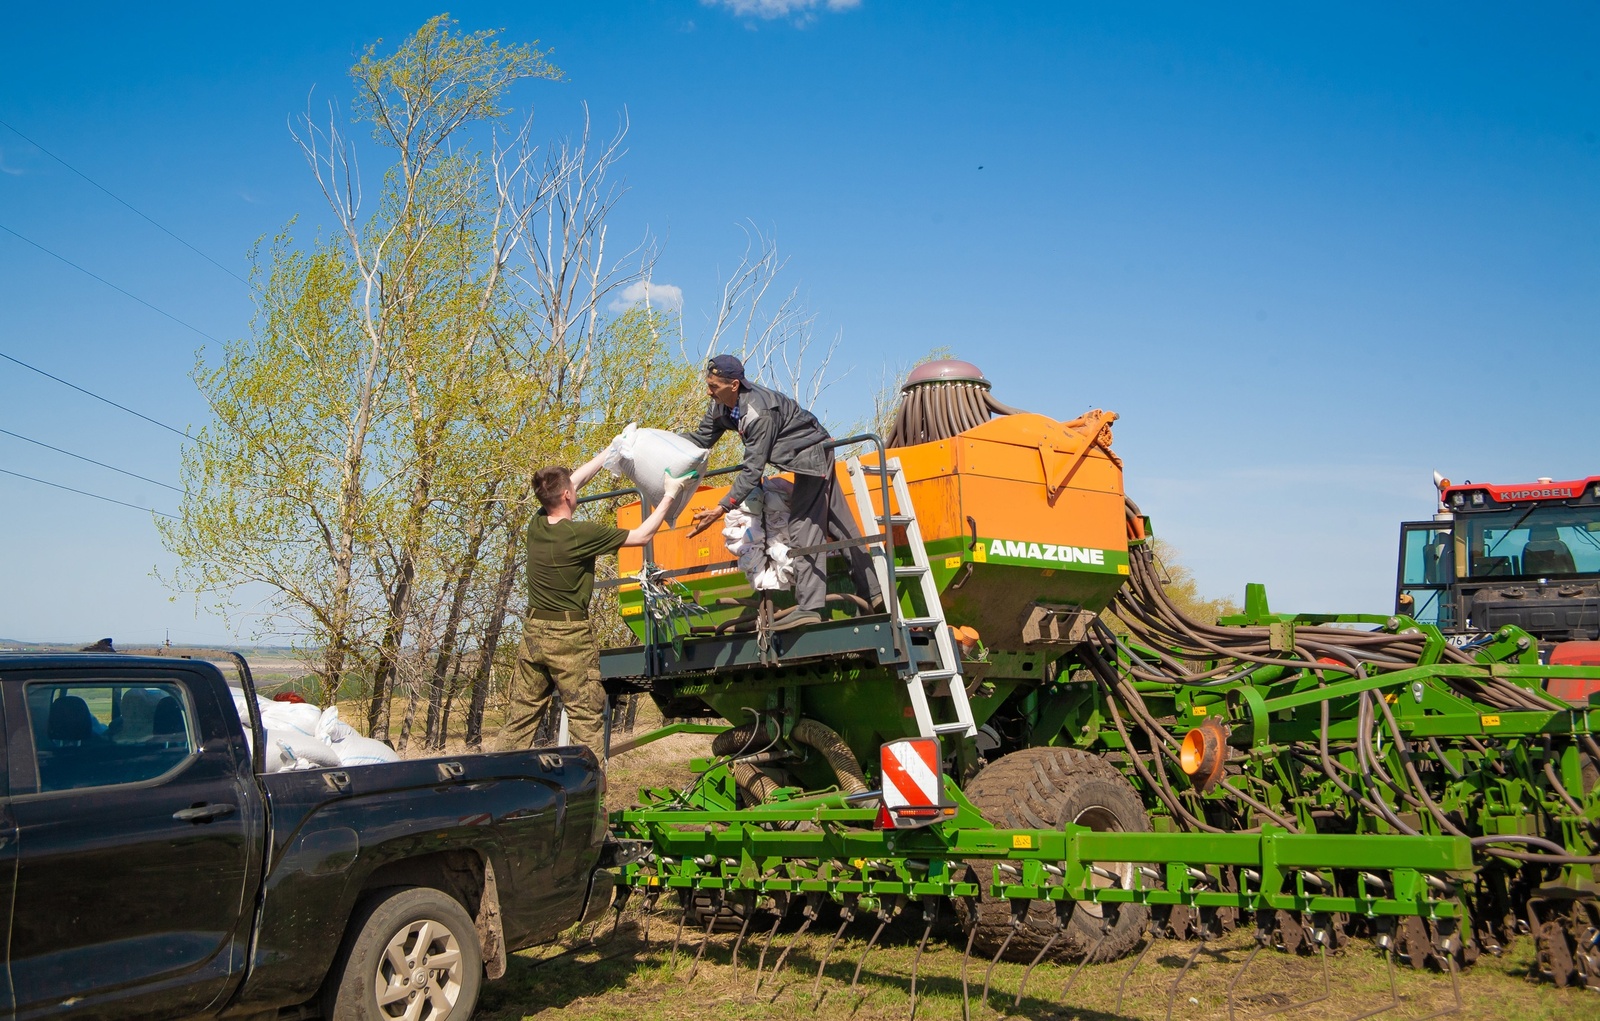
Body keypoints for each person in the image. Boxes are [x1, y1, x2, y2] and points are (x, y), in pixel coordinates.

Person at [502, 448, 686, 754]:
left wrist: (607, 454)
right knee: (586, 719)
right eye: (572, 489)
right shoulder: (580, 534)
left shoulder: (536, 526)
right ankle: (589, 795)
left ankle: (493, 786)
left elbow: (569, 481)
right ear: (566, 496)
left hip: (533, 632)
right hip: (569, 637)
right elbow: (640, 536)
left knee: (518, 719)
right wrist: (669, 495)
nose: (576, 489)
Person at [683, 354, 881, 629]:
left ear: (735, 385)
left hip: (811, 455)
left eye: (714, 386)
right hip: (807, 454)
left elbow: (753, 469)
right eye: (708, 383)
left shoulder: (759, 413)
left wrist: (721, 508)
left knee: (803, 527)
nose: (708, 390)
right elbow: (701, 439)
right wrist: (659, 442)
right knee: (840, 525)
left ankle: (810, 607)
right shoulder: (721, 405)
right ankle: (875, 592)